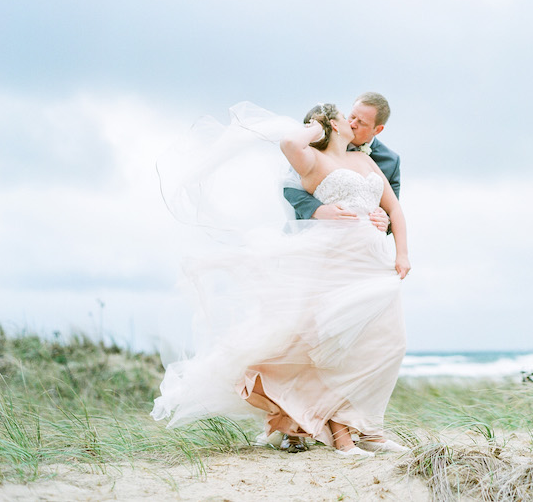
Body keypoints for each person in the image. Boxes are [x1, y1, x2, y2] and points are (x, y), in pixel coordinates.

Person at [151, 101, 410, 457]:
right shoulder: (312, 159)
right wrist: (317, 129)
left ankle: (369, 428)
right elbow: (290, 154)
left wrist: (399, 248)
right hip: (334, 261)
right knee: (336, 345)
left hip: (373, 261)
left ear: (376, 129)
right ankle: (342, 434)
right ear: (334, 126)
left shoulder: (371, 160)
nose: (352, 121)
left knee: (388, 343)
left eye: (360, 120)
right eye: (347, 117)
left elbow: (393, 207)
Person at [284, 92, 400, 230]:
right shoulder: (321, 141)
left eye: (361, 122)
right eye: (351, 116)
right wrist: (318, 210)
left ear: (378, 130)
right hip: (314, 232)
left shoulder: (390, 161)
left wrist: (386, 219)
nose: (352, 124)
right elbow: (290, 186)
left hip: (362, 243)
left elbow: (393, 210)